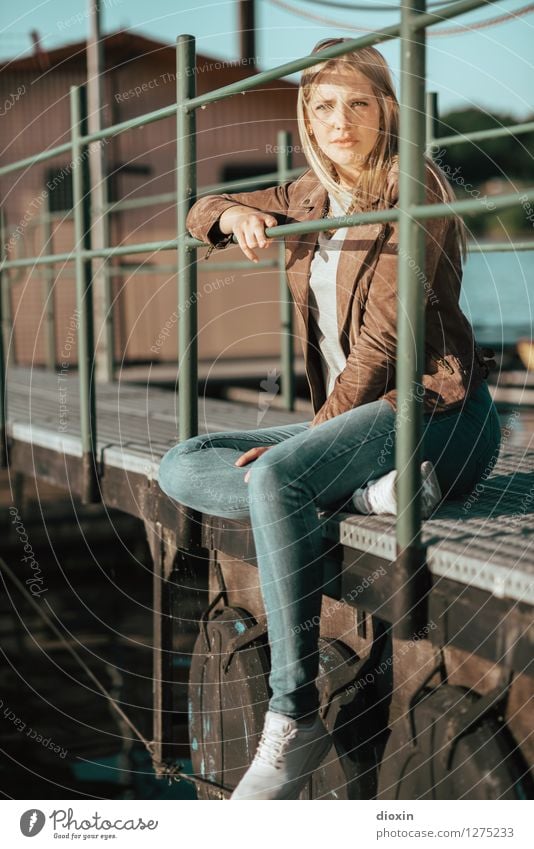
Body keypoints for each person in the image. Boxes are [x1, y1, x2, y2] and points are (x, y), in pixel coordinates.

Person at [158, 38, 501, 800]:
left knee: (279, 474)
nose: (339, 120)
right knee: (182, 461)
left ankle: (293, 714)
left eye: (358, 102)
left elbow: (384, 342)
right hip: (360, 426)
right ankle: (370, 492)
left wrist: (312, 443)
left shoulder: (419, 188)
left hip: (436, 413)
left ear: (386, 110)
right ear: (305, 115)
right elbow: (195, 211)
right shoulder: (308, 197)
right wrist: (238, 213)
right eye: (322, 104)